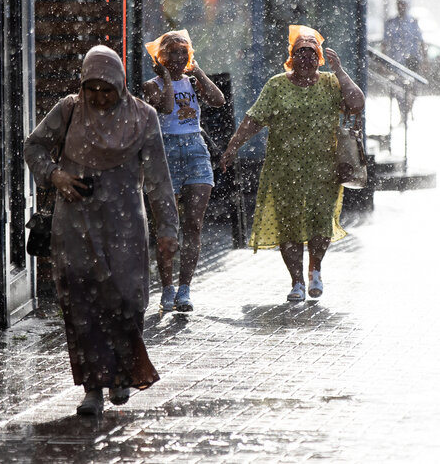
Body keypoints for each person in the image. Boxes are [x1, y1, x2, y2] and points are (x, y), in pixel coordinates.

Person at [24, 45, 179, 416]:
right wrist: (55, 175)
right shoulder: (69, 110)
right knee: (82, 305)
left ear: (121, 84)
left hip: (125, 226)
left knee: (127, 299)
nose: (99, 97)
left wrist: (169, 229)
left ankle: (123, 373)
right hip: (74, 226)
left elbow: (158, 179)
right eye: (91, 88)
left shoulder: (143, 118)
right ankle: (93, 387)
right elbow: (34, 147)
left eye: (106, 89)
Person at [219, 25, 364, 302]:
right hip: (284, 169)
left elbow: (357, 104)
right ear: (291, 57)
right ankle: (297, 281)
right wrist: (233, 146)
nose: (307, 58)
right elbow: (254, 119)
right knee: (290, 226)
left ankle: (315, 270)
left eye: (312, 53)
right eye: (301, 53)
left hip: (324, 170)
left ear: (320, 58)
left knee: (321, 224)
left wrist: (340, 71)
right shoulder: (276, 85)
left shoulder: (331, 83)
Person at [143, 30, 226, 312]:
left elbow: (218, 100)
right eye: (172, 53)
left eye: (183, 52)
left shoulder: (192, 81)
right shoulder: (151, 85)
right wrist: (167, 78)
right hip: (164, 152)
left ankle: (184, 289)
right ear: (161, 58)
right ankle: (166, 287)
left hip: (195, 150)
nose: (178, 58)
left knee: (193, 224)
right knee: (167, 227)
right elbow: (166, 108)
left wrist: (198, 72)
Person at [382, 0, 426, 119]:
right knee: (399, 88)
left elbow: (421, 42)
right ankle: (404, 112)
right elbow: (385, 43)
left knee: (413, 87)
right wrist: (383, 62)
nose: (401, 8)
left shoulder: (413, 22)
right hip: (396, 61)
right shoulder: (391, 23)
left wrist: (424, 60)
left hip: (412, 59)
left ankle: (408, 109)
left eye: (403, 5)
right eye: (399, 5)